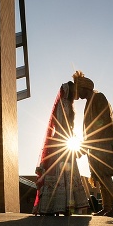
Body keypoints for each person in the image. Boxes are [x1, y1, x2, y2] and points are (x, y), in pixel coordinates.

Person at [33, 80, 90, 215]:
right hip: (62, 142)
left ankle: (57, 206)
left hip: (62, 142)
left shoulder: (65, 104)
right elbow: (63, 125)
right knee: (64, 173)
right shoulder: (64, 104)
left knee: (61, 173)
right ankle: (64, 205)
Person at [73, 71, 113, 216]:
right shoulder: (89, 102)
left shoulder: (98, 98)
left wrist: (87, 144)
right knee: (99, 177)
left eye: (78, 90)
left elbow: (101, 123)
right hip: (93, 146)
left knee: (105, 175)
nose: (77, 94)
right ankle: (107, 207)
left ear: (85, 88)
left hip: (102, 144)